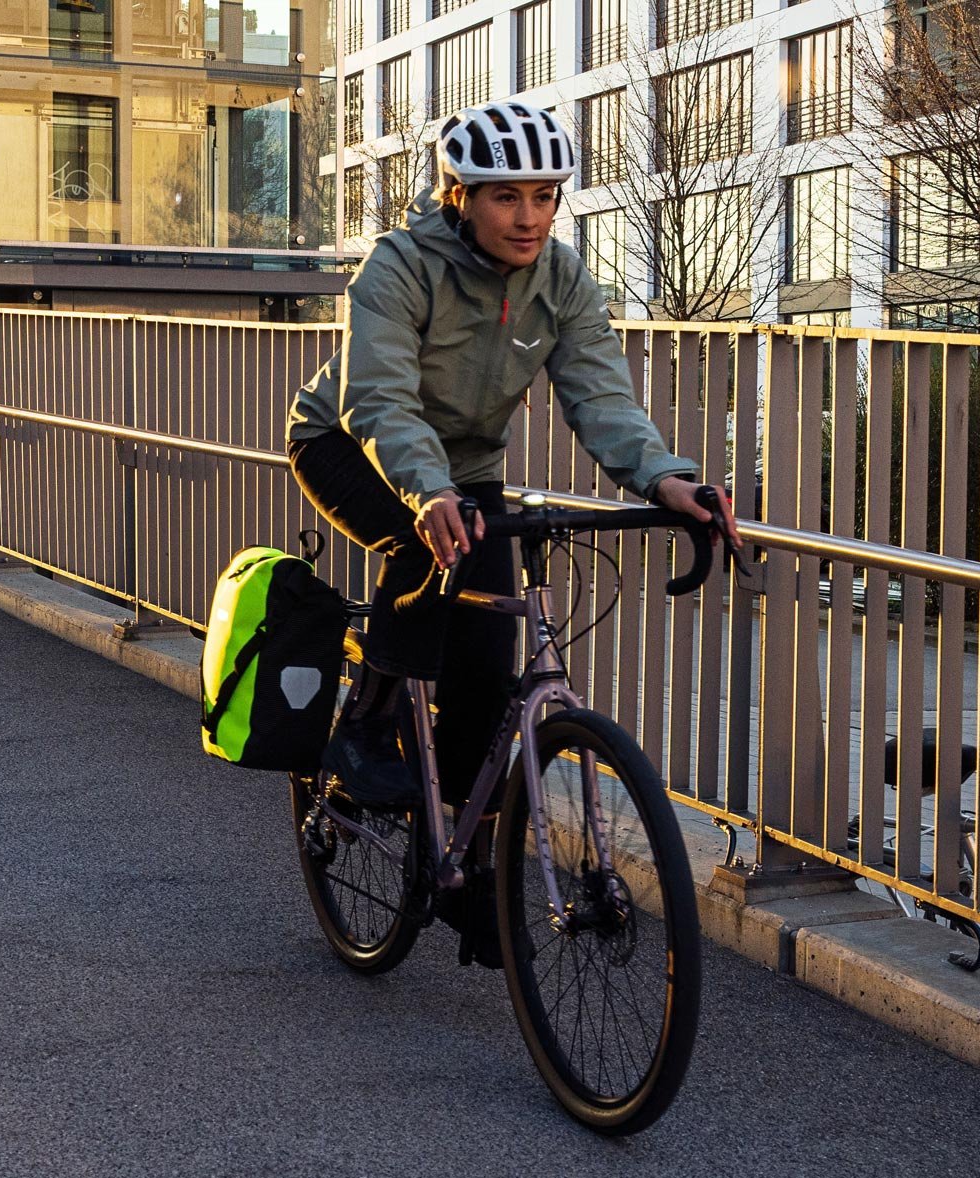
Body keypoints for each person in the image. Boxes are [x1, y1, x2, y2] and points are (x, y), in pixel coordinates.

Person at [286, 99, 736, 817]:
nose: (530, 218)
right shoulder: (398, 266)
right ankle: (364, 727)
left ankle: (466, 854)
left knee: (487, 666)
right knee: (423, 545)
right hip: (345, 444)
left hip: (466, 470)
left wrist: (665, 478)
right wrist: (428, 491)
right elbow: (378, 399)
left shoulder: (560, 278)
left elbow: (600, 394)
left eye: (544, 196)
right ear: (459, 197)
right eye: (506, 197)